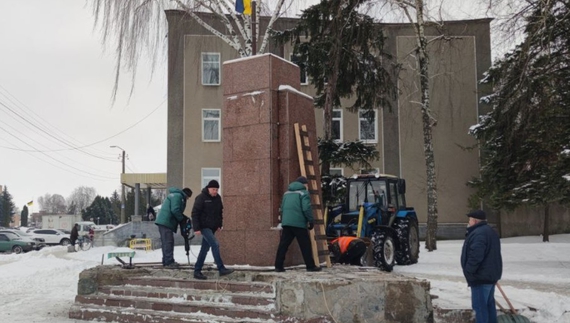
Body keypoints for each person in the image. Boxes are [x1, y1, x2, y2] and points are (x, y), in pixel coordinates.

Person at [461, 210, 503, 323]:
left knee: (480, 307)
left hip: (480, 277)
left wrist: (469, 271)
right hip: (489, 276)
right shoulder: (490, 231)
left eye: (469, 220)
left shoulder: (478, 233)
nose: (468, 222)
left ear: (474, 220)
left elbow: (476, 255)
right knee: (489, 305)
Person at [274, 176, 322, 272]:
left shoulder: (286, 193)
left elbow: (282, 208)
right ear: (304, 184)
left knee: (283, 245)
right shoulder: (303, 193)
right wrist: (310, 220)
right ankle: (310, 266)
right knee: (305, 245)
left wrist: (284, 220)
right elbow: (306, 208)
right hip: (299, 223)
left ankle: (278, 266)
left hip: (287, 223)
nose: (307, 186)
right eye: (307, 184)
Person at [191, 180, 234, 280]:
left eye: (217, 189)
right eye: (213, 189)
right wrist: (196, 228)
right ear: (208, 188)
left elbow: (219, 213)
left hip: (213, 227)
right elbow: (195, 213)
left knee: (204, 249)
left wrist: (219, 225)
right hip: (204, 227)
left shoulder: (218, 198)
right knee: (215, 244)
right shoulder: (201, 198)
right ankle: (221, 268)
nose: (215, 191)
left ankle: (197, 271)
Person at [155, 187, 193, 268]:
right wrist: (182, 219)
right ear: (186, 195)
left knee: (166, 242)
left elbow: (176, 210)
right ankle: (169, 262)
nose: (187, 199)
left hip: (165, 221)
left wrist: (183, 218)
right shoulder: (178, 196)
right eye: (188, 197)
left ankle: (166, 260)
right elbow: (175, 210)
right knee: (168, 242)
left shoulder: (175, 195)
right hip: (166, 222)